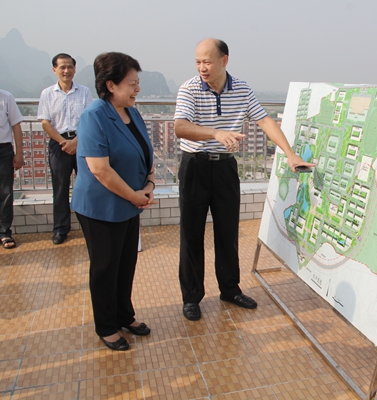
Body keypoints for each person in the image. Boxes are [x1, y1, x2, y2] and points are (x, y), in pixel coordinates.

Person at [174, 38, 315, 321]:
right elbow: (180, 127)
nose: (202, 67)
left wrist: (289, 154)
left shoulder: (241, 88)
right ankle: (191, 297)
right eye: (198, 62)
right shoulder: (189, 88)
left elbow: (264, 120)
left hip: (225, 169)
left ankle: (230, 290)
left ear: (224, 60)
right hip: (195, 167)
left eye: (207, 61)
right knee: (191, 235)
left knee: (228, 232)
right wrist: (215, 133)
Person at [71, 52, 156, 351]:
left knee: (126, 264)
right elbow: (100, 170)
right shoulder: (94, 116)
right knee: (106, 268)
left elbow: (145, 153)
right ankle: (106, 327)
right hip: (101, 208)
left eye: (137, 83)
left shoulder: (132, 113)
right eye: (132, 84)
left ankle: (124, 315)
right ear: (111, 85)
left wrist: (149, 184)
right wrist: (135, 196)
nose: (137, 89)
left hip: (130, 204)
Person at [38, 53, 93, 245]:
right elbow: (45, 123)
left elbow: (89, 120)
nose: (66, 70)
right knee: (60, 188)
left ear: (75, 69)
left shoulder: (84, 92)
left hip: (82, 142)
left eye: (70, 67)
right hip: (58, 144)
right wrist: (64, 142)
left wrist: (76, 141)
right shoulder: (47, 94)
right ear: (54, 70)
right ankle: (61, 229)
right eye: (62, 67)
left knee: (87, 185)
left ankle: (90, 225)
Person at [0, 60, 23, 249]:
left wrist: (19, 154)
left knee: (5, 195)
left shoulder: (5, 97)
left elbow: (16, 125)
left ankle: (4, 233)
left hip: (1, 153)